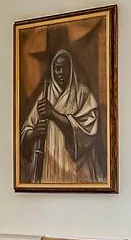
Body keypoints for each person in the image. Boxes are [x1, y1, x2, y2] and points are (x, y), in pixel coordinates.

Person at [20, 47, 104, 184]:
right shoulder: (46, 95)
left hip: (77, 167)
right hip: (49, 163)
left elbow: (88, 131)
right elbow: (26, 130)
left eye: (64, 68)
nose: (61, 72)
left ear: (71, 69)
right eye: (57, 68)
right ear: (53, 70)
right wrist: (34, 133)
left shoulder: (82, 94)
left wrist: (53, 114)